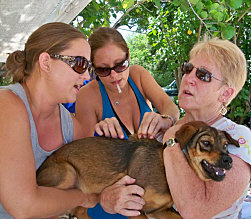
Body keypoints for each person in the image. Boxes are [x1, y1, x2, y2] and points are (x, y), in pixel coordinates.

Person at [75, 27, 180, 218]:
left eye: (120, 65)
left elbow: (171, 108)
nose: (114, 75)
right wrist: (96, 136)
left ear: (128, 56)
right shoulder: (88, 95)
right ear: (93, 68)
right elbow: (83, 163)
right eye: (103, 69)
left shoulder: (138, 76)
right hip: (110, 206)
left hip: (148, 202)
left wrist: (165, 119)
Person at [0, 22, 98, 218]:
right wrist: (83, 198)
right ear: (46, 62)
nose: (87, 75)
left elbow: (96, 184)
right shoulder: (7, 104)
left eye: (89, 67)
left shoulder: (71, 127)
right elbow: (23, 206)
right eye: (80, 64)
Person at [162, 37, 251, 218]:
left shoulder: (238, 137)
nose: (189, 79)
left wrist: (171, 140)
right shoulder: (162, 127)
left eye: (203, 75)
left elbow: (196, 210)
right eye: (188, 69)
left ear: (225, 93)